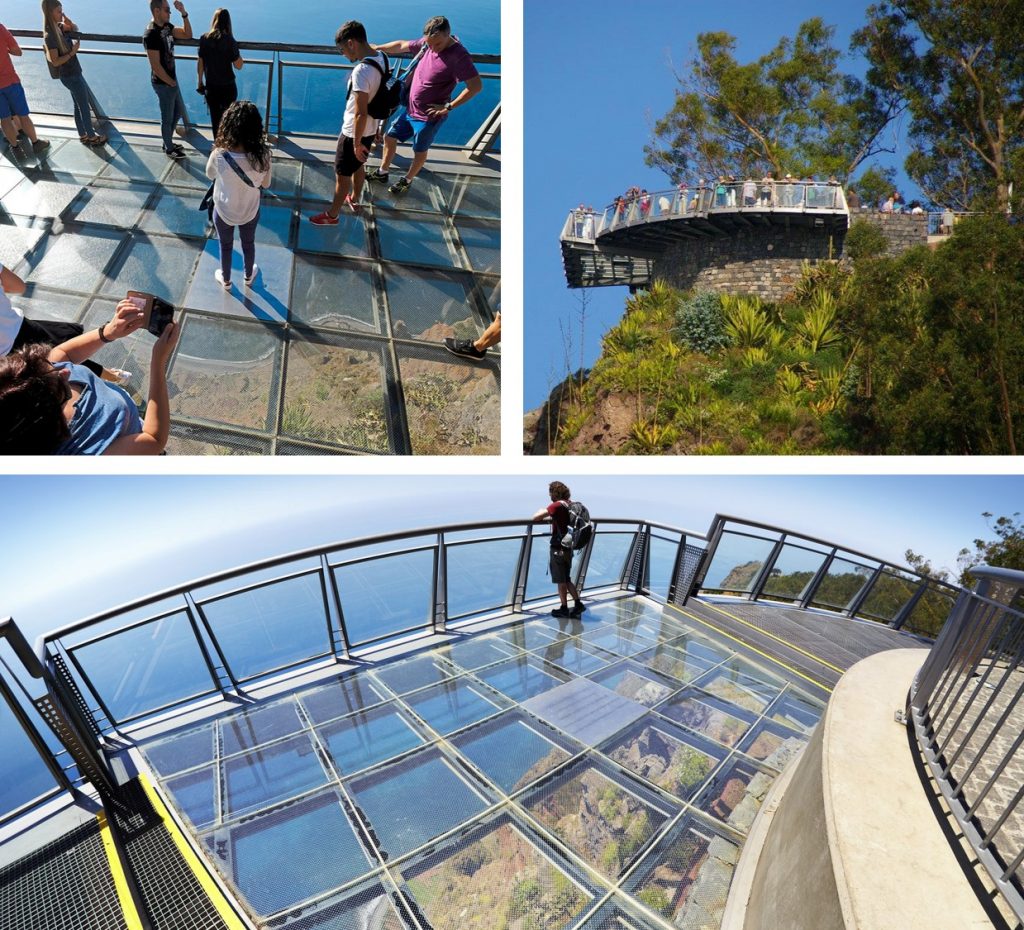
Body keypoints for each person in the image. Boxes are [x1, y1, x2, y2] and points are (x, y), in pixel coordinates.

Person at [0, 300, 178, 455]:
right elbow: (153, 439)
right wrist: (158, 362)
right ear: (45, 415)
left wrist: (109, 331)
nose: (64, 371)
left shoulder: (39, 377)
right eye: (58, 382)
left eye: (49, 366)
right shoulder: (86, 451)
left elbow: (63, 353)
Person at [367, 15, 482, 196]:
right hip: (410, 109)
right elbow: (402, 45)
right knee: (389, 137)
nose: (433, 48)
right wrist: (377, 48)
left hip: (429, 117)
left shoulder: (459, 56)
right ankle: (383, 172)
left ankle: (407, 180)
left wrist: (448, 107)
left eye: (437, 44)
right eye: (429, 43)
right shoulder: (428, 43)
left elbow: (475, 87)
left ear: (448, 35)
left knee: (419, 150)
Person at [1, 261, 128, 383]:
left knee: (48, 375)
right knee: (64, 356)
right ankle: (114, 377)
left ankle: (111, 376)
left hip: (5, 360)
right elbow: (18, 286)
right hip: (20, 327)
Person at [310, 21, 385, 225]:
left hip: (354, 133)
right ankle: (355, 199)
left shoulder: (361, 71)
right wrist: (377, 127)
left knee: (342, 176)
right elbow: (379, 97)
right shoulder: (381, 57)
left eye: (342, 49)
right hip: (369, 130)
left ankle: (332, 215)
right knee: (359, 165)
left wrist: (355, 143)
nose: (343, 55)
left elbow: (360, 112)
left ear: (352, 43)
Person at [206, 100, 271, 289]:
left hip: (224, 210)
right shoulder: (263, 155)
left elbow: (210, 174)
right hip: (250, 210)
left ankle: (226, 280)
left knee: (225, 246)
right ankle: (248, 275)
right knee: (248, 243)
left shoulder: (219, 154)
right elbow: (266, 184)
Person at [41, 1, 105, 146]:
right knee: (83, 106)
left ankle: (82, 134)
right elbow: (55, 61)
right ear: (50, 12)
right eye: (58, 11)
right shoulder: (50, 35)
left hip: (73, 73)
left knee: (77, 105)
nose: (61, 14)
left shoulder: (59, 28)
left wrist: (69, 22)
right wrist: (72, 53)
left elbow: (75, 29)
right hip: (70, 75)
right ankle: (92, 137)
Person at [144, 0, 192, 159]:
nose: (169, 13)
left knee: (177, 111)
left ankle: (168, 142)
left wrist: (183, 13)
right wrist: (170, 82)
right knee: (167, 118)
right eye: (167, 10)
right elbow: (155, 66)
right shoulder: (151, 34)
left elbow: (187, 34)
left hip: (171, 80)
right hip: (163, 83)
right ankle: (169, 148)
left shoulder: (166, 27)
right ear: (156, 11)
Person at [532, 481, 585, 618]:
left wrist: (540, 510)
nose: (549, 494)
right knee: (566, 578)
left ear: (554, 493)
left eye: (550, 492)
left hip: (559, 548)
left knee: (561, 581)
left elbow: (536, 517)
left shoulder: (555, 505)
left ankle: (564, 608)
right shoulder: (570, 504)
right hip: (569, 547)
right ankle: (578, 604)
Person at [0, 22, 50, 157]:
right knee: (23, 115)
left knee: (4, 119)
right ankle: (36, 143)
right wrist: (6, 50)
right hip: (10, 82)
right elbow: (18, 51)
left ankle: (15, 147)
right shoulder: (0, 28)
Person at [197, 8, 242, 139]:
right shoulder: (230, 41)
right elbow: (238, 66)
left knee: (215, 120)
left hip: (211, 87)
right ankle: (228, 146)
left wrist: (200, 82)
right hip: (228, 87)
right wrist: (238, 53)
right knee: (229, 119)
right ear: (228, 23)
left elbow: (200, 63)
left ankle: (218, 148)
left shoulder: (204, 39)